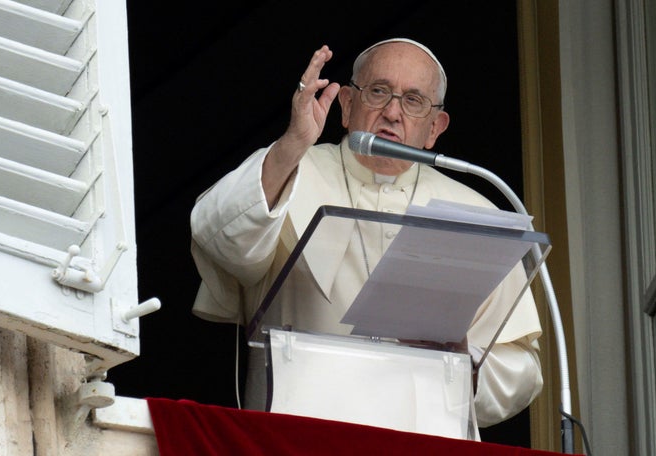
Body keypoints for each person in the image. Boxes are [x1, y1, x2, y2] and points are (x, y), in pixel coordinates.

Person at [189, 38, 543, 430]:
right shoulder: (289, 169)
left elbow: (521, 369)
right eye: (378, 92)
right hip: (295, 435)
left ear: (435, 128)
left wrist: (467, 362)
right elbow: (218, 238)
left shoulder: (475, 212)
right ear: (346, 105)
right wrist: (293, 143)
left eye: (413, 100)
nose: (392, 112)